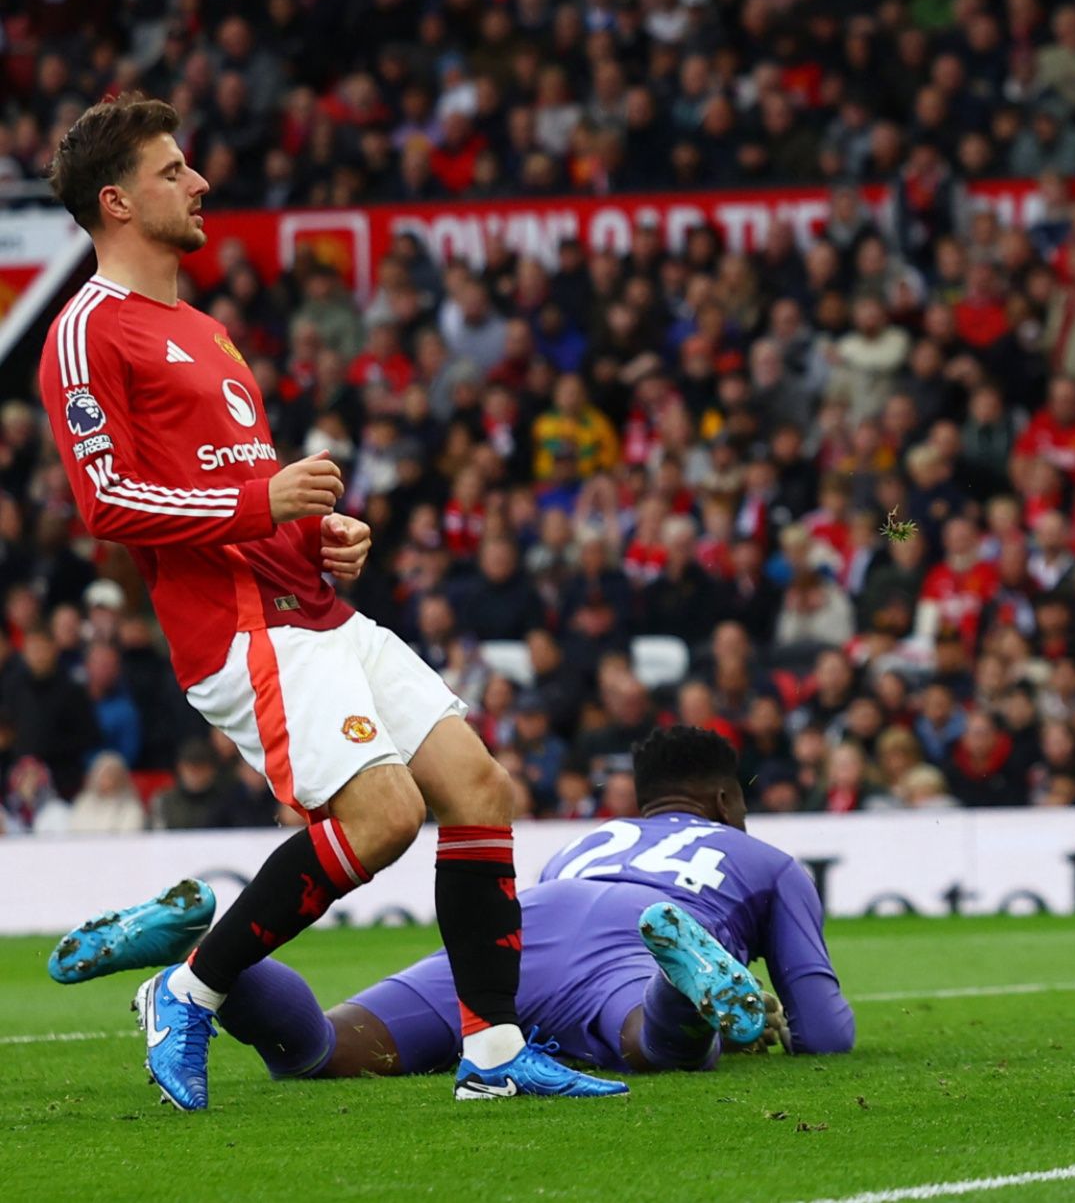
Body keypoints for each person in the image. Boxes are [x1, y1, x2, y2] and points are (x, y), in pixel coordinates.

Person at [37, 94, 619, 1107]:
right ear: (117, 201)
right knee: (386, 813)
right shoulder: (86, 333)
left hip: (315, 608)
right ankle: (189, 989)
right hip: (241, 631)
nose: (200, 182)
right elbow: (109, 502)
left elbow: (238, 479)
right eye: (174, 171)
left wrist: (315, 532)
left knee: (478, 787)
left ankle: (490, 1057)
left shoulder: (209, 334)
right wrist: (264, 499)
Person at [50, 727, 854, 1080]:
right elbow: (823, 1034)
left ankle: (200, 948)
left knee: (325, 1049)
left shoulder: (590, 839)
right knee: (660, 1045)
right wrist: (785, 1034)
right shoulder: (768, 860)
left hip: (529, 920)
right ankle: (681, 986)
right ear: (720, 800)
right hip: (626, 946)